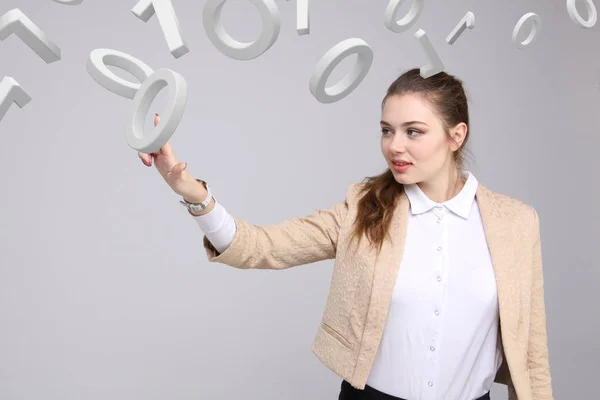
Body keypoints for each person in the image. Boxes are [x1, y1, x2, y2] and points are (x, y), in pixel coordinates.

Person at [138, 68, 553, 400]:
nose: (394, 146)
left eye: (413, 131)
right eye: (387, 130)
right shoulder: (363, 208)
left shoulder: (516, 223)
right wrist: (194, 194)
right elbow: (260, 247)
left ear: (456, 135)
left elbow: (531, 352)